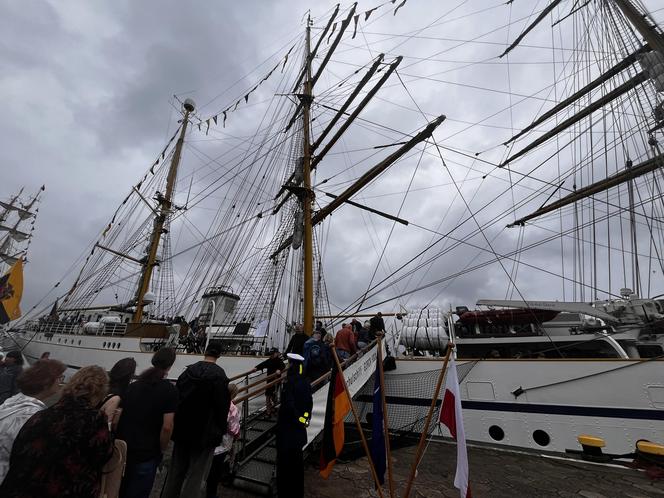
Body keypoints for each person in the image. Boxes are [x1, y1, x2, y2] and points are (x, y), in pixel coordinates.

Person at [0, 365, 113, 498]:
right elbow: (103, 455)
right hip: (65, 489)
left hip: (24, 487)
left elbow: (19, 448)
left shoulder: (41, 414)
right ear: (99, 392)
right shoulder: (95, 419)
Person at [162, 345, 230, 498]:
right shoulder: (220, 376)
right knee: (196, 475)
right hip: (205, 434)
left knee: (176, 470)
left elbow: (177, 398)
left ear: (205, 352)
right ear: (219, 356)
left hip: (182, 430)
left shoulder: (188, 372)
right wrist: (221, 429)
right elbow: (222, 408)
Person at [117, 348, 178, 498]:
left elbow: (119, 416)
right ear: (170, 366)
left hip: (125, 449)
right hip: (147, 453)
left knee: (119, 491)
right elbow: (167, 426)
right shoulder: (169, 390)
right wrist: (162, 449)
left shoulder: (133, 386)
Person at [0, 359, 66, 483]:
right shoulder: (33, 415)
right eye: (59, 378)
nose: (60, 383)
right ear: (46, 382)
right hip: (9, 478)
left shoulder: (13, 402)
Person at [276, 353, 313, 498]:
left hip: (286, 433)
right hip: (299, 434)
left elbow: (288, 406)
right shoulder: (305, 383)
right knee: (297, 468)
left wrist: (295, 419)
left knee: (284, 469)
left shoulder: (289, 383)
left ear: (291, 365)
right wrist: (304, 422)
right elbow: (308, 406)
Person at [205, 383, 241, 498]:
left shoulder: (214, 403)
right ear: (234, 395)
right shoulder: (233, 409)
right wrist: (237, 435)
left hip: (210, 441)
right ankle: (211, 493)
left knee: (208, 466)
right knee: (216, 470)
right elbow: (233, 429)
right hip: (223, 444)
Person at [101, 357, 137, 431]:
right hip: (104, 433)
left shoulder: (104, 385)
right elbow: (109, 422)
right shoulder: (119, 395)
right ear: (129, 375)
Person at [252, 348, 285, 416]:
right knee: (268, 395)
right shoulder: (269, 360)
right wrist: (256, 368)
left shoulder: (279, 361)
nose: (272, 355)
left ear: (277, 353)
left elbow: (283, 366)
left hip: (276, 381)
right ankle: (269, 411)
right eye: (271, 354)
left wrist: (279, 370)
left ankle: (274, 409)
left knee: (274, 396)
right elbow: (263, 364)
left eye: (273, 353)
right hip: (269, 381)